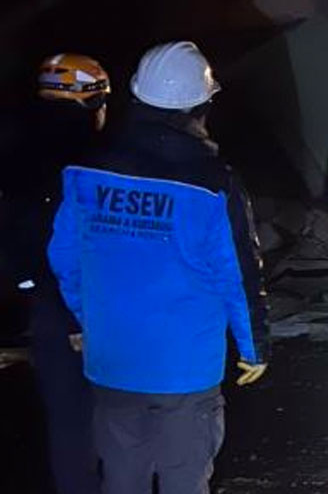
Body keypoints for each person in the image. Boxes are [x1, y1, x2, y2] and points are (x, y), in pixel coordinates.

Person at [45, 41, 270, 494]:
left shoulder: (86, 172)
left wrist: (86, 320)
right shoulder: (212, 184)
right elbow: (237, 275)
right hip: (183, 370)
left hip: (113, 361)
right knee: (184, 479)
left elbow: (65, 257)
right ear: (201, 104)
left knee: (121, 477)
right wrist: (254, 346)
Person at [0, 54, 111, 494]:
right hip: (100, 304)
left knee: (68, 427)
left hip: (48, 305)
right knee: (123, 421)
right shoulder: (99, 159)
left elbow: (12, 237)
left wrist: (32, 287)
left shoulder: (16, 152)